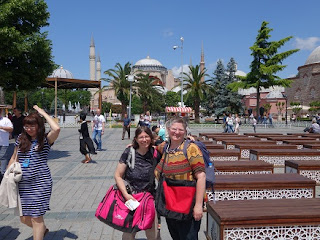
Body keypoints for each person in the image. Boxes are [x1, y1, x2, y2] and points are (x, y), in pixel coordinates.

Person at [6, 105, 60, 240]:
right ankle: (42, 229)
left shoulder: (45, 140)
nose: (28, 129)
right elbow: (14, 157)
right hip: (23, 185)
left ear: (39, 126)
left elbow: (57, 128)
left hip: (41, 184)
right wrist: (7, 175)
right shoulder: (20, 139)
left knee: (36, 217)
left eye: (32, 126)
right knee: (24, 218)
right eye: (26, 126)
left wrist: (42, 113)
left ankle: (39, 230)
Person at [155, 117, 206, 240]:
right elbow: (150, 147)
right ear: (168, 129)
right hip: (170, 203)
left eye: (180, 130)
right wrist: (135, 145)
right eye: (174, 129)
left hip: (187, 205)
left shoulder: (191, 148)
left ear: (185, 131)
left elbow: (201, 176)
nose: (176, 132)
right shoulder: (165, 147)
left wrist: (198, 206)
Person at [114, 126, 162, 240]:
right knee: (129, 233)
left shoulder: (155, 152)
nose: (144, 140)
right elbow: (118, 175)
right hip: (131, 197)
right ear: (135, 139)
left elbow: (172, 147)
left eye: (147, 136)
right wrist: (126, 195)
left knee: (153, 234)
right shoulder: (129, 152)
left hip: (149, 197)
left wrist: (189, 139)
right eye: (141, 137)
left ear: (151, 138)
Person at [0, 109, 13, 176]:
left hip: (3, 143)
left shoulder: (6, 120)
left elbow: (11, 129)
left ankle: (2, 174)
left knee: (2, 158)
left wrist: (2, 127)